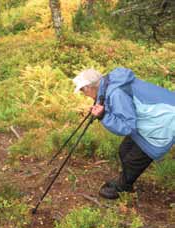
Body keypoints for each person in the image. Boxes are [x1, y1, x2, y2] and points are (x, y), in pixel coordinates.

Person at [73, 67, 175, 199]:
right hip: (151, 117)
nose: (83, 93)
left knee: (133, 160)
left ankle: (123, 188)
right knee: (124, 150)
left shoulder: (116, 93)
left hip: (162, 122)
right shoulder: (109, 84)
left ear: (90, 87)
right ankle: (125, 180)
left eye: (82, 90)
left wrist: (103, 115)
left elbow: (126, 127)